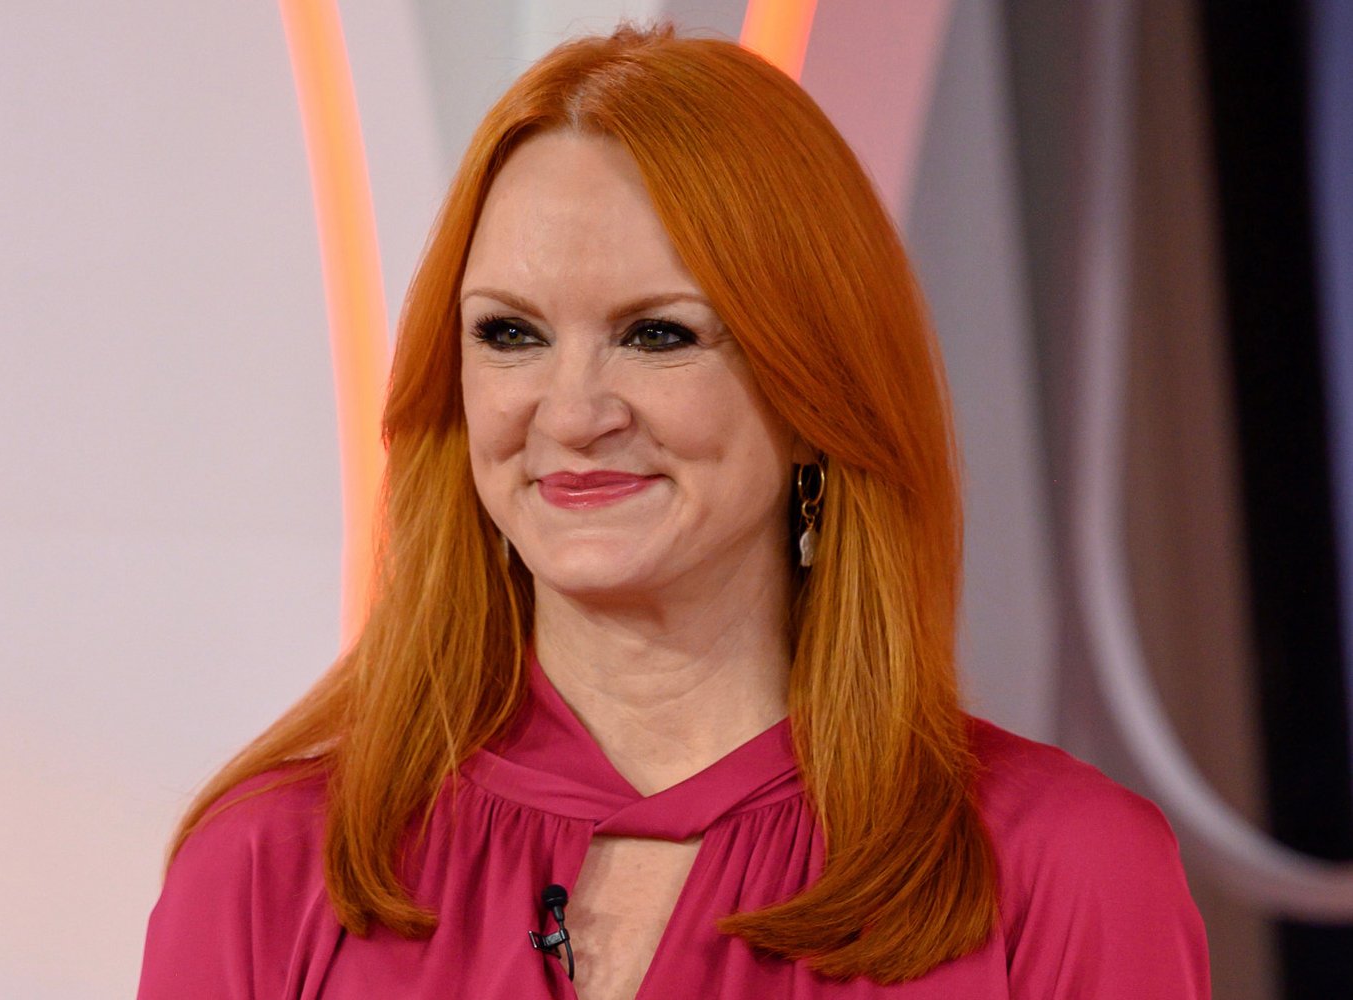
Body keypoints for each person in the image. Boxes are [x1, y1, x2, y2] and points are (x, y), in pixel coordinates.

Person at [138, 24, 1209, 999]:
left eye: (657, 334)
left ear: (814, 390)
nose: (572, 412)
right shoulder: (268, 865)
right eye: (511, 334)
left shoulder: (1061, 867)